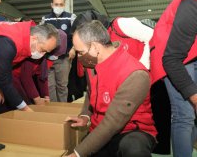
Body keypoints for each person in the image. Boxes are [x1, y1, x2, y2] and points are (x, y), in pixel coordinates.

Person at [65, 21, 157, 157]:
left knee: (134, 149)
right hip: (100, 129)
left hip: (129, 131)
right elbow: (91, 92)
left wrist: (77, 154)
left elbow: (113, 123)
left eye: (80, 52)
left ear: (95, 47)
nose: (78, 57)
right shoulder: (92, 63)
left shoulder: (135, 74)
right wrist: (85, 115)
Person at [149, 0, 197, 156]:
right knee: (185, 114)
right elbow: (172, 59)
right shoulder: (192, 3)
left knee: (193, 116)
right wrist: (194, 96)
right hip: (172, 57)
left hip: (191, 52)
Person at [40, 0, 76, 102]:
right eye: (56, 4)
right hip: (48, 59)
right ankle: (52, 110)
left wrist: (74, 48)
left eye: (61, 4)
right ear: (51, 4)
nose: (58, 6)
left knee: (62, 86)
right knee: (50, 87)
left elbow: (77, 34)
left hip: (64, 59)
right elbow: (40, 36)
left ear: (64, 4)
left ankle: (62, 110)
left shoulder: (71, 17)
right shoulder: (45, 19)